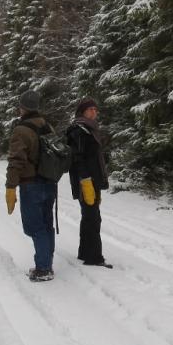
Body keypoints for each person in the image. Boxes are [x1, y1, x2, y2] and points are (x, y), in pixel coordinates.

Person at [5, 90, 58, 282]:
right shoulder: (48, 126)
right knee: (46, 225)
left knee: (35, 228)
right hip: (49, 183)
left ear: (22, 107)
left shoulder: (21, 130)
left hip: (31, 185)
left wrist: (10, 187)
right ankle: (47, 263)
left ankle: (43, 269)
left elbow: (16, 161)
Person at [66, 98, 112, 268]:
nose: (94, 112)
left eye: (95, 109)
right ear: (82, 112)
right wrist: (85, 181)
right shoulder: (78, 130)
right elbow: (78, 159)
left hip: (92, 180)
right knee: (93, 218)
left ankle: (85, 252)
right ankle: (94, 257)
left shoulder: (90, 129)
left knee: (89, 216)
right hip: (85, 181)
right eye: (90, 109)